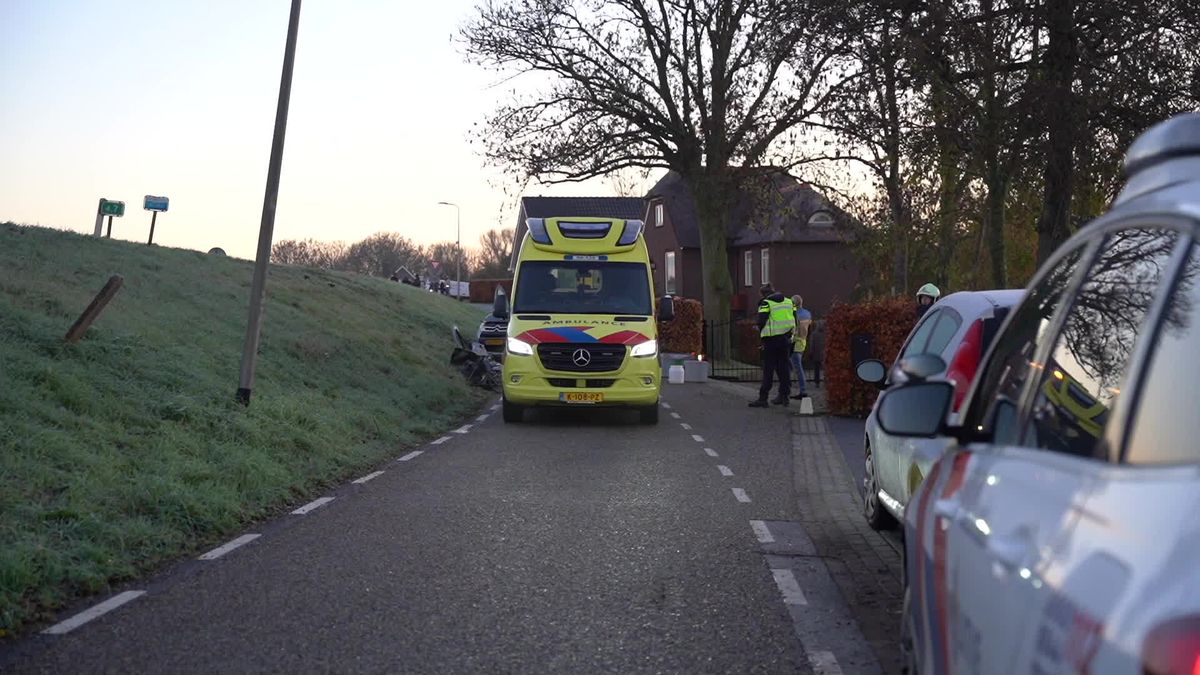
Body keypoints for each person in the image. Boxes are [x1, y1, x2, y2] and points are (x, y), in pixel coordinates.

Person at [749, 283, 795, 408]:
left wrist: (759, 329)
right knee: (783, 369)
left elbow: (761, 321)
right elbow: (794, 318)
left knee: (768, 369)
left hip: (770, 340)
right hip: (785, 339)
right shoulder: (789, 302)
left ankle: (763, 398)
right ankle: (784, 396)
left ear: (763, 294)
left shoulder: (766, 303)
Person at [789, 294, 812, 399]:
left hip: (795, 343)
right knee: (797, 367)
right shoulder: (807, 313)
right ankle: (801, 389)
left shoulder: (794, 314)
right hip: (802, 342)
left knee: (797, 368)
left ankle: (802, 390)